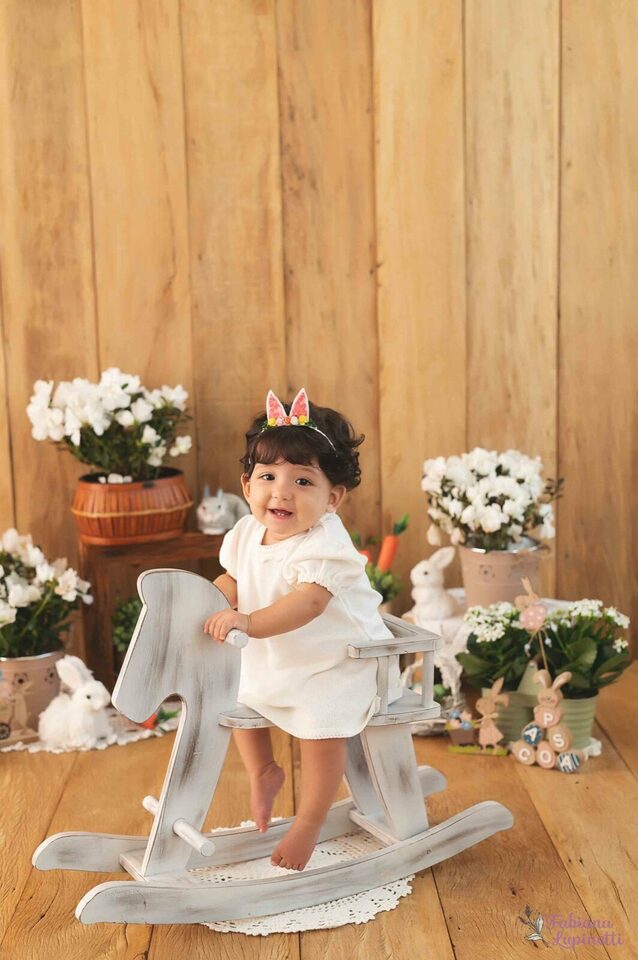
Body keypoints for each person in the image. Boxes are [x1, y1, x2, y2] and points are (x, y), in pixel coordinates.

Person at [204, 387, 402, 871]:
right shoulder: (246, 532)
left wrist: (249, 621)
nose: (281, 492)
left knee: (321, 725)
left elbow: (309, 603)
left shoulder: (325, 544)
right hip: (283, 654)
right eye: (268, 476)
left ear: (332, 498)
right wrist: (214, 598)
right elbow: (234, 578)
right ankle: (263, 771)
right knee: (237, 693)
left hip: (341, 660)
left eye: (302, 481)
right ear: (247, 485)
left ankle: (309, 822)